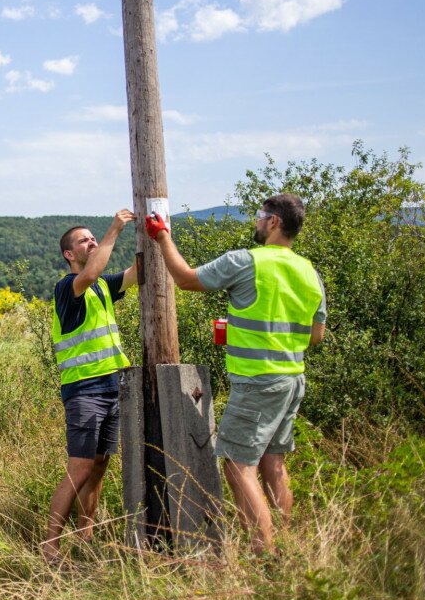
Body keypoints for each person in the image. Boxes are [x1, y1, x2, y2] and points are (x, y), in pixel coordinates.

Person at [144, 193, 326, 554]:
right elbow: (315, 335)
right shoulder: (310, 271)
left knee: (237, 466)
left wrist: (162, 236)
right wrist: (258, 330)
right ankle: (285, 544)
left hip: (259, 380)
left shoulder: (246, 261)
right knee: (273, 462)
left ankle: (262, 551)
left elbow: (185, 279)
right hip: (292, 379)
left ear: (274, 222)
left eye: (261, 215)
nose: (257, 221)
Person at [42, 209, 138, 566]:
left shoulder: (99, 286)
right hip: (84, 391)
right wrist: (115, 228)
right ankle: (50, 546)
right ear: (70, 254)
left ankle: (86, 534)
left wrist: (154, 233)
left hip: (112, 386)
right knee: (80, 468)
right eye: (85, 240)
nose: (92, 242)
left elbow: (135, 275)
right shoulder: (69, 287)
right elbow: (94, 270)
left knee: (99, 464)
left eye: (94, 238)